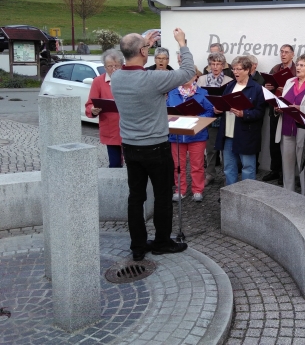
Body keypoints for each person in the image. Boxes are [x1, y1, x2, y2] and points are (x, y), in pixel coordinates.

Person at [111, 28, 196, 261]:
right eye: (146, 49)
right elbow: (188, 71)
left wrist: (143, 44)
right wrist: (182, 42)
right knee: (162, 196)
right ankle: (161, 242)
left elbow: (132, 60)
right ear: (142, 51)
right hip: (156, 148)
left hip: (130, 147)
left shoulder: (116, 77)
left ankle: (138, 246)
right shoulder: (153, 79)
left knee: (136, 198)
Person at [214, 56, 266, 185]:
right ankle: (230, 196)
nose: (235, 72)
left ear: (247, 70)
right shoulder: (230, 86)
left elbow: (260, 112)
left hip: (246, 134)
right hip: (228, 133)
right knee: (228, 168)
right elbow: (224, 104)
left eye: (239, 69)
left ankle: (248, 196)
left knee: (248, 168)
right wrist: (218, 110)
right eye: (234, 69)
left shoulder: (256, 88)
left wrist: (244, 114)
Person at [275, 54, 305, 197]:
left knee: (303, 165)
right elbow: (283, 101)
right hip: (286, 126)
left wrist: (300, 108)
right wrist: (278, 108)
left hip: (303, 129)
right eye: (297, 65)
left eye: (302, 65)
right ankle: (288, 194)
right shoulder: (290, 81)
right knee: (287, 164)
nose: (298, 68)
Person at [167, 75, 214, 202]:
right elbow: (167, 111)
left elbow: (210, 112)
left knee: (197, 165)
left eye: (189, 75)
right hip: (177, 135)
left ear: (195, 77)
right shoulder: (173, 93)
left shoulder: (202, 93)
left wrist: (197, 117)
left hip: (197, 134)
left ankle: (198, 190)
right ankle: (180, 190)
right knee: (178, 165)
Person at [197, 53, 234, 185]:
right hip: (209, 117)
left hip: (224, 117)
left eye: (218, 64)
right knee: (211, 148)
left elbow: (231, 101)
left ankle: (227, 175)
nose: (215, 66)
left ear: (223, 66)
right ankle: (210, 174)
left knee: (226, 149)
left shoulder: (229, 80)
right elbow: (198, 99)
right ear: (209, 65)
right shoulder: (201, 80)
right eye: (212, 64)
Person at [85, 49, 125, 168]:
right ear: (105, 67)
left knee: (133, 165)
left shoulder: (127, 80)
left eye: (116, 66)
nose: (113, 69)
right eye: (109, 66)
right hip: (111, 129)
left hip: (129, 129)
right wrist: (92, 109)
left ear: (122, 65)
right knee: (115, 164)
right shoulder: (98, 82)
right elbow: (89, 104)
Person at [262, 44, 296, 184]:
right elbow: (267, 86)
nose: (283, 54)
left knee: (286, 142)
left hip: (288, 110)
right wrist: (267, 87)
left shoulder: (296, 70)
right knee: (273, 142)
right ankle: (275, 169)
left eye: (286, 52)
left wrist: (286, 88)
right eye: (281, 52)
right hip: (274, 108)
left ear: (292, 55)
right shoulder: (275, 69)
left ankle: (285, 173)